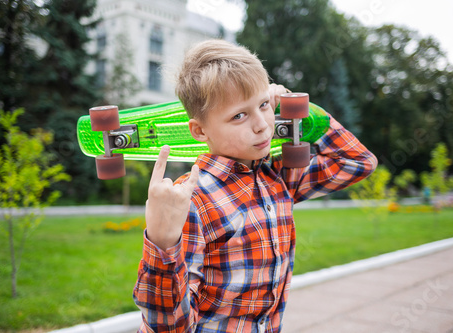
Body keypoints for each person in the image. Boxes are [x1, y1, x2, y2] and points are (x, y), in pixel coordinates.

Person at [133, 39, 377, 333]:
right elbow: (170, 328)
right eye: (239, 115)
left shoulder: (278, 176)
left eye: (263, 105)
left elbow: (357, 161)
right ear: (200, 130)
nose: (262, 124)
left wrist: (300, 108)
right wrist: (162, 243)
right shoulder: (191, 200)